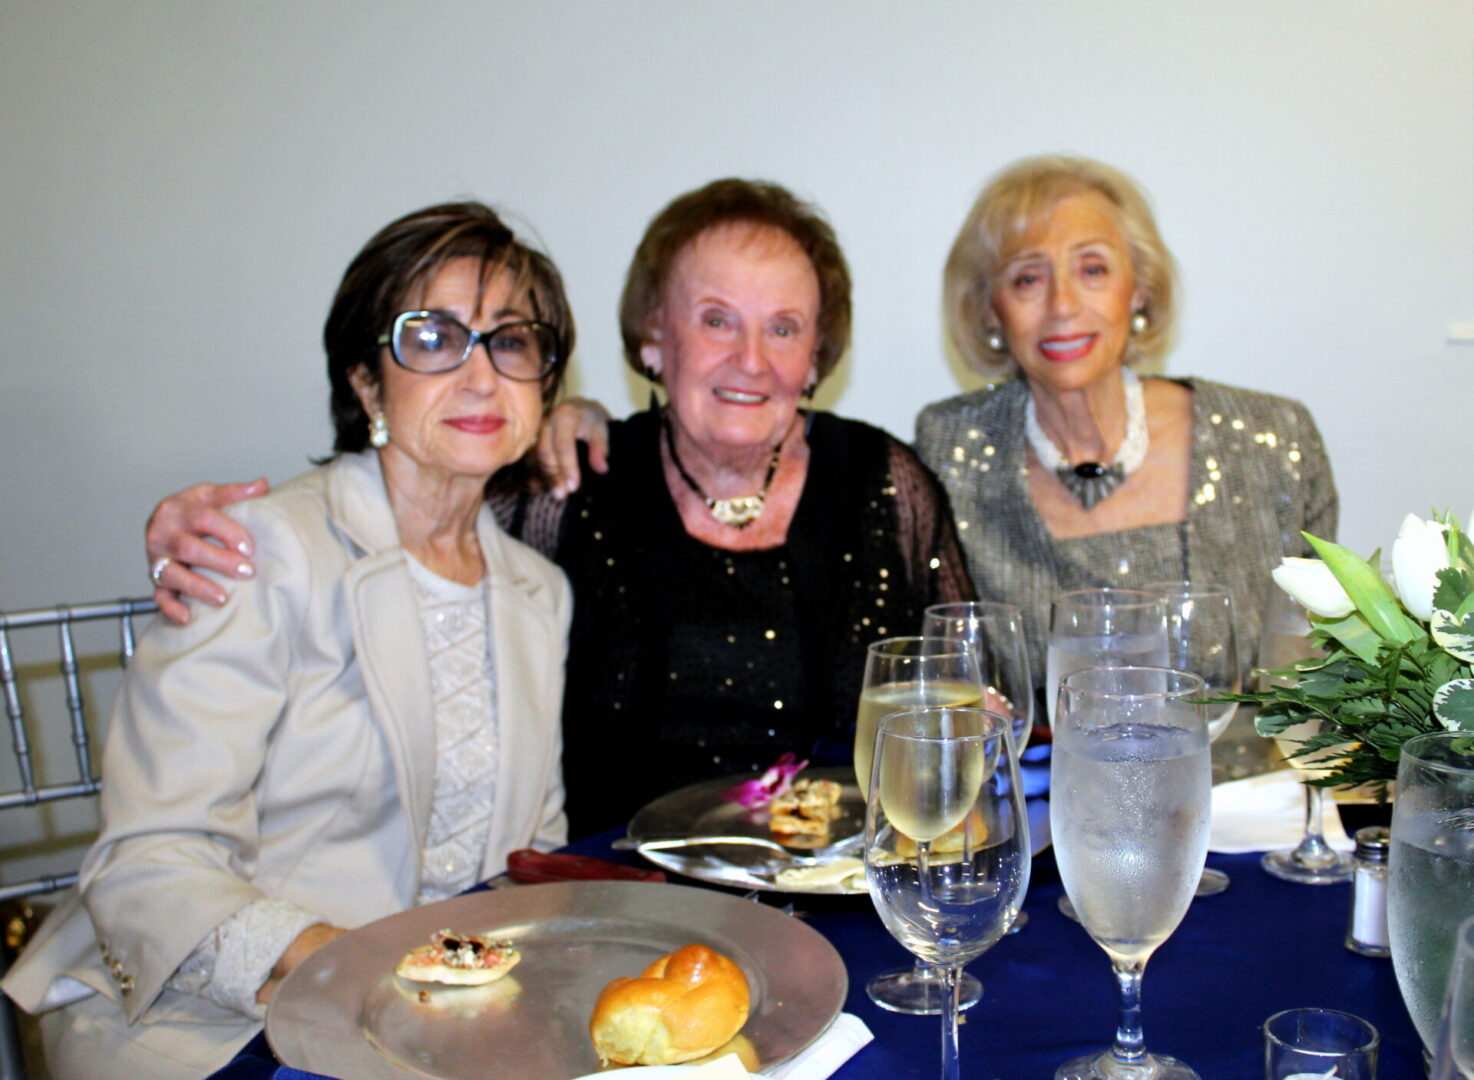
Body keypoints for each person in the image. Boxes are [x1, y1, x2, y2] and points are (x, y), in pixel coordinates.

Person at [142, 179, 974, 835]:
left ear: (817, 354)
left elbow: (963, 689)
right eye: (716, 320)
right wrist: (186, 531)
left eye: (784, 328)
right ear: (653, 339)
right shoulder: (570, 483)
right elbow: (396, 512)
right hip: (615, 904)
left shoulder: (882, 482)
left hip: (843, 895)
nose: (750, 360)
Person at [3, 202, 574, 1079]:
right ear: (364, 380)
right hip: (215, 1016)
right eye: (432, 337)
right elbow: (148, 863)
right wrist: (365, 973)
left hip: (444, 1018)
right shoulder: (259, 548)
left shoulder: (540, 593)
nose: (479, 376)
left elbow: (530, 857)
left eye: (512, 342)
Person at [914, 155, 1337, 680]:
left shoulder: (1272, 443)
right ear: (988, 309)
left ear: (1138, 287)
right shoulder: (952, 451)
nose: (1062, 305)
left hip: (1255, 764)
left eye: (1092, 269)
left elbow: (1316, 678)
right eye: (1027, 278)